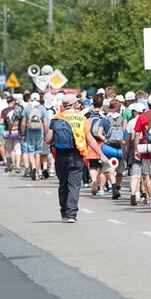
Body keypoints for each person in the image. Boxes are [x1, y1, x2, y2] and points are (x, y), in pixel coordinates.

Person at [46, 94, 107, 223]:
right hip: (77, 154)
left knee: (63, 184)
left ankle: (63, 212)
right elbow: (90, 139)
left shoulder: (56, 118)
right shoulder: (82, 119)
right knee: (74, 185)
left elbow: (47, 139)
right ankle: (72, 214)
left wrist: (54, 144)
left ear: (63, 105)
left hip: (61, 155)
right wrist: (101, 154)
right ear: (74, 104)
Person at [20, 93, 49, 181]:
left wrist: (23, 134)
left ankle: (33, 167)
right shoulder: (42, 108)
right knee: (38, 153)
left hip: (30, 132)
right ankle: (36, 173)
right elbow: (46, 123)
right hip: (40, 132)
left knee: (31, 152)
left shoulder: (27, 108)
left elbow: (23, 123)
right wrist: (45, 135)